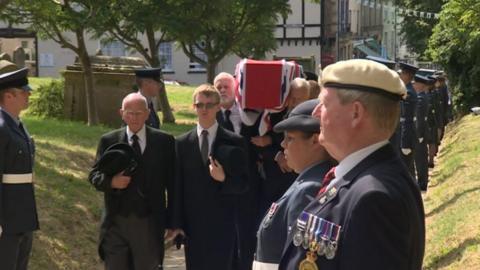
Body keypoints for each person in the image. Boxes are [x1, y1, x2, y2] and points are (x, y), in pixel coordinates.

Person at [279, 59, 425, 269]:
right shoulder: (365, 178)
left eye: (325, 104)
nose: (315, 113)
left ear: (356, 113)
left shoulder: (374, 196)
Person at [88, 93, 175, 270]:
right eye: (130, 113)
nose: (134, 117)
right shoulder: (109, 140)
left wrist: (173, 221)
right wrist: (112, 182)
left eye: (139, 113)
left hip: (148, 223)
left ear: (148, 113)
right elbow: (94, 175)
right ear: (122, 113)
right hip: (115, 223)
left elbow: (173, 184)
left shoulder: (164, 141)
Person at [173, 84, 249, 270]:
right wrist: (176, 223)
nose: (204, 109)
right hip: (193, 225)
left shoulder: (235, 141)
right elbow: (176, 186)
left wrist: (224, 179)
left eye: (209, 104)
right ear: (194, 107)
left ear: (218, 106)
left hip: (223, 222)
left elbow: (245, 184)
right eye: (200, 105)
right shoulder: (181, 143)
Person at [253, 99, 333, 270]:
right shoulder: (305, 182)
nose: (282, 145)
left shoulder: (309, 189)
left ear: (315, 141)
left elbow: (302, 261)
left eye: (290, 138)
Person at [214, 72, 260, 270]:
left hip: (251, 184)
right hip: (222, 186)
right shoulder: (211, 116)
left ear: (236, 88)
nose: (223, 90)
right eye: (218, 87)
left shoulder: (250, 113)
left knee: (247, 232)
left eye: (226, 86)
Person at [0, 67, 39, 270]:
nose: (28, 94)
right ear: (8, 95)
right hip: (6, 219)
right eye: (23, 91)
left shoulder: (17, 125)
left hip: (22, 216)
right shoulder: (1, 127)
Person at [397, 62, 419, 177]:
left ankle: (412, 195)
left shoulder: (408, 93)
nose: (399, 76)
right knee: (408, 171)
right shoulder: (407, 89)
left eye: (402, 74)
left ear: (408, 75)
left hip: (407, 137)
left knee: (406, 173)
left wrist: (404, 143)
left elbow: (407, 119)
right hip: (407, 135)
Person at [413, 75, 431, 192]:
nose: (413, 85)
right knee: (422, 157)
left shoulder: (420, 98)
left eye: (415, 83)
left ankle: (422, 182)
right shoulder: (423, 96)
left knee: (420, 159)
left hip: (421, 132)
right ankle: (423, 180)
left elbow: (419, 118)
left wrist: (418, 135)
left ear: (421, 85)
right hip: (423, 131)